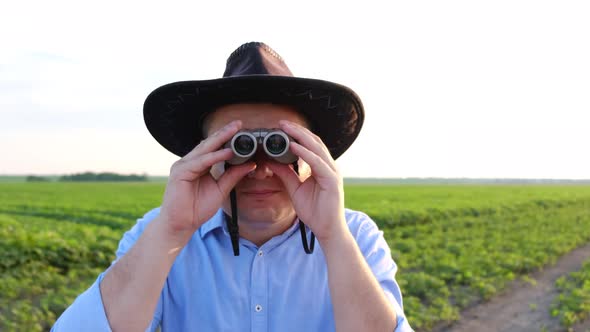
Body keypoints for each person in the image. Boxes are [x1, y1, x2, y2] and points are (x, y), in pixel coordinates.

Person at [51, 42, 413, 331]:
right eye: (235, 147)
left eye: (280, 146)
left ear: (313, 153)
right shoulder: (157, 235)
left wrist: (333, 236)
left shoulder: (354, 235)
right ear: (203, 155)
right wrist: (174, 230)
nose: (260, 170)